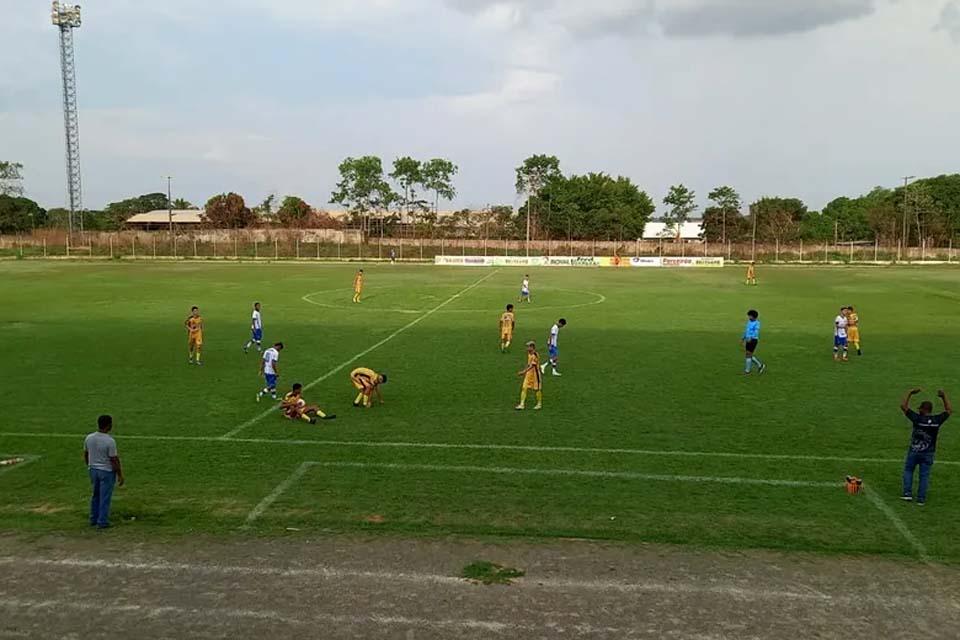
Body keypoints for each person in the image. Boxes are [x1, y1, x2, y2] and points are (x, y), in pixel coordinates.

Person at [900, 388, 952, 505]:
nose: (918, 410)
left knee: (908, 470)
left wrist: (909, 393)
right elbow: (949, 410)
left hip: (914, 450)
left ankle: (907, 494)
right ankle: (921, 499)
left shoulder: (918, 419)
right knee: (924, 475)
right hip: (929, 453)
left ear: (924, 409)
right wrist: (943, 397)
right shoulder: (936, 420)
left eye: (920, 409)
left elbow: (903, 406)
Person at [83, 415, 124, 530]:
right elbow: (114, 459)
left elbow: (86, 454)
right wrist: (120, 474)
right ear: (109, 425)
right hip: (106, 471)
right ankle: (102, 521)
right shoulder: (109, 441)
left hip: (93, 470)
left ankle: (93, 518)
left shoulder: (89, 437)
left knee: (95, 495)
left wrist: (90, 466)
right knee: (105, 497)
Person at [516, 341, 543, 410]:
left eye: (528, 347)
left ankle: (539, 403)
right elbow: (529, 364)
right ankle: (522, 404)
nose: (527, 348)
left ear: (532, 347)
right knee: (524, 388)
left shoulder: (535, 355)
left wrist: (523, 372)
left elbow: (532, 366)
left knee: (537, 389)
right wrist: (525, 370)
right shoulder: (529, 354)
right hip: (529, 374)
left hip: (535, 375)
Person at [741, 309, 765, 375]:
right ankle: (760, 366)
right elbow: (746, 331)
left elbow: (756, 332)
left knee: (748, 354)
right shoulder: (749, 322)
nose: (749, 317)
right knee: (748, 354)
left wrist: (751, 338)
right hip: (748, 339)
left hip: (753, 340)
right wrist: (743, 338)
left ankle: (747, 371)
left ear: (754, 316)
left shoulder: (757, 323)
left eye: (750, 316)